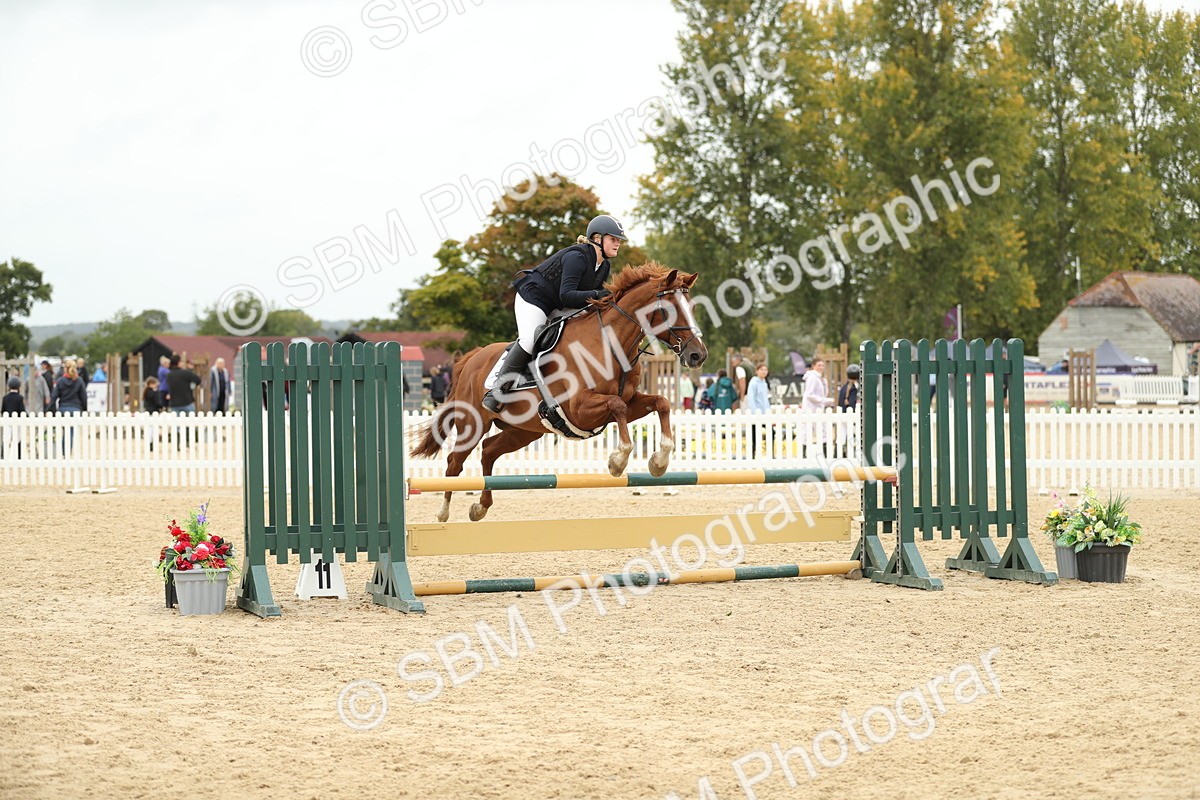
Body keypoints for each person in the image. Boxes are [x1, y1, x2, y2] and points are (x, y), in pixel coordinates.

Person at [482, 214, 627, 412]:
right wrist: (596, 294)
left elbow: (584, 300)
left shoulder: (604, 265)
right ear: (597, 238)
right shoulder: (577, 257)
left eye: (619, 240)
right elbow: (567, 295)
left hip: (559, 304)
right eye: (613, 239)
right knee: (530, 340)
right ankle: (497, 390)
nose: (618, 243)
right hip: (535, 298)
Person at [802, 357, 835, 455]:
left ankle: (824, 453)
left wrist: (824, 382)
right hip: (810, 409)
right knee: (807, 431)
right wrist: (825, 401)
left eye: (822, 365)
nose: (821, 367)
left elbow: (824, 393)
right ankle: (804, 453)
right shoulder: (812, 377)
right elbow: (810, 395)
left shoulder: (819, 378)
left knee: (822, 431)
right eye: (819, 365)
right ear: (813, 366)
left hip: (818, 409)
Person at [1, 376, 25, 457]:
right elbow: (22, 410)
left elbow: (3, 410)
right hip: (17, 422)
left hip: (8, 421)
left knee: (6, 439)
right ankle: (19, 455)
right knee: (18, 439)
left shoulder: (5, 398)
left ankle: (3, 455)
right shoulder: (20, 398)